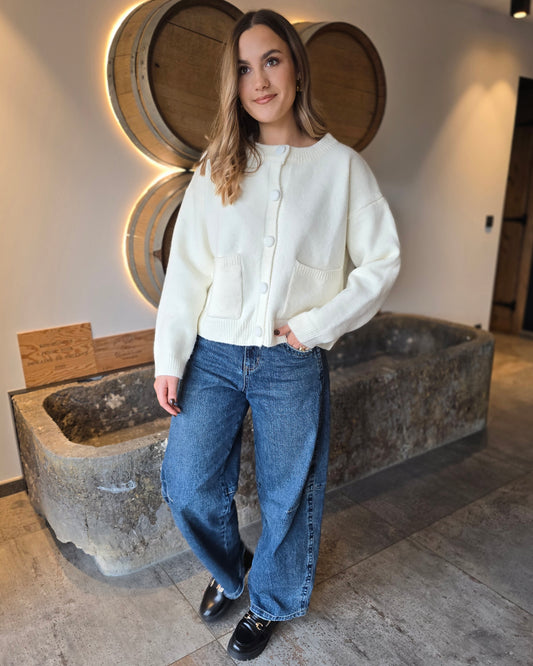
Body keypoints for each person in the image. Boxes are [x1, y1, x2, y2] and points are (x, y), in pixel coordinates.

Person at [154, 8, 400, 661]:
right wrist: (169, 357)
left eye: (271, 60)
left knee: (290, 494)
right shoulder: (218, 164)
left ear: (295, 67)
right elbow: (187, 270)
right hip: (213, 354)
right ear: (232, 84)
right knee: (186, 481)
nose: (258, 80)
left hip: (291, 359)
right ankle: (232, 569)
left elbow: (381, 264)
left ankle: (269, 602)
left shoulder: (342, 168)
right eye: (243, 68)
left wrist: (316, 325)